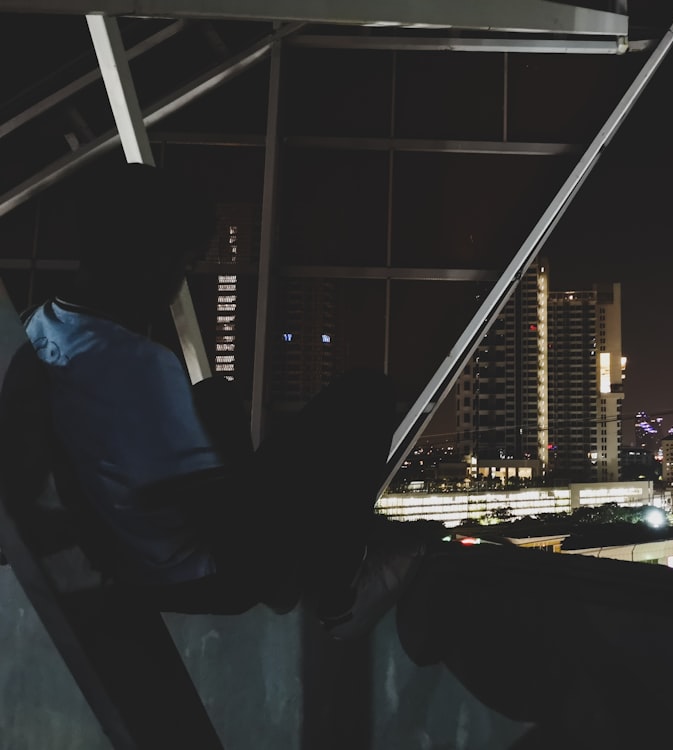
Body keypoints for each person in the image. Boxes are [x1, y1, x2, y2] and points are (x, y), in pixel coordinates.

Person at [15, 161, 421, 638]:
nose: (178, 285)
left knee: (215, 397)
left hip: (115, 555)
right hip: (203, 576)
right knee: (365, 394)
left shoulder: (32, 327)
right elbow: (220, 519)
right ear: (151, 258)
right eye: (184, 265)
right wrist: (285, 548)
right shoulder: (139, 365)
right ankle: (341, 596)